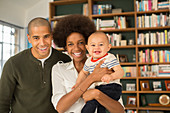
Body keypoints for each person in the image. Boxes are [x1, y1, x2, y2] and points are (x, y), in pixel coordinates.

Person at [51, 14, 124, 113]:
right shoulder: (59, 69)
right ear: (65, 47)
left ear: (87, 45)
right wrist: (91, 78)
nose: (76, 48)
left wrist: (97, 94)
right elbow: (60, 108)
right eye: (70, 44)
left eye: (80, 42)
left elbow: (120, 110)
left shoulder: (105, 64)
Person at [0, 17, 71, 113]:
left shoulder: (65, 60)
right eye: (36, 38)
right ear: (29, 38)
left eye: (46, 36)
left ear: (51, 36)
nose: (42, 43)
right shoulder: (13, 64)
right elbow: (2, 101)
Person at [72, 31, 124, 113]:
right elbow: (83, 73)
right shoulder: (89, 61)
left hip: (112, 87)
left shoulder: (109, 58)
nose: (97, 47)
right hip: (99, 88)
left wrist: (111, 76)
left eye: (101, 45)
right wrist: (78, 84)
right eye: (93, 45)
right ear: (87, 48)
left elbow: (120, 72)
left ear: (108, 47)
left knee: (91, 103)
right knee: (99, 106)